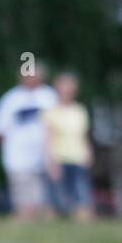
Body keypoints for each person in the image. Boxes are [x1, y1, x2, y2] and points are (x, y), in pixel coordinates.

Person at [0, 65, 58, 220]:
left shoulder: (49, 96)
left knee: (41, 193)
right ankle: (22, 216)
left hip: (44, 155)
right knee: (21, 190)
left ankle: (36, 218)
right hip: (17, 155)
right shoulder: (11, 98)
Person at [44, 72, 94, 221]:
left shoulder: (80, 110)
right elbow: (47, 139)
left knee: (82, 196)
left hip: (78, 158)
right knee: (54, 199)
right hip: (59, 158)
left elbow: (84, 135)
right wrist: (51, 161)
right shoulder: (51, 111)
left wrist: (88, 153)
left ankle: (82, 223)